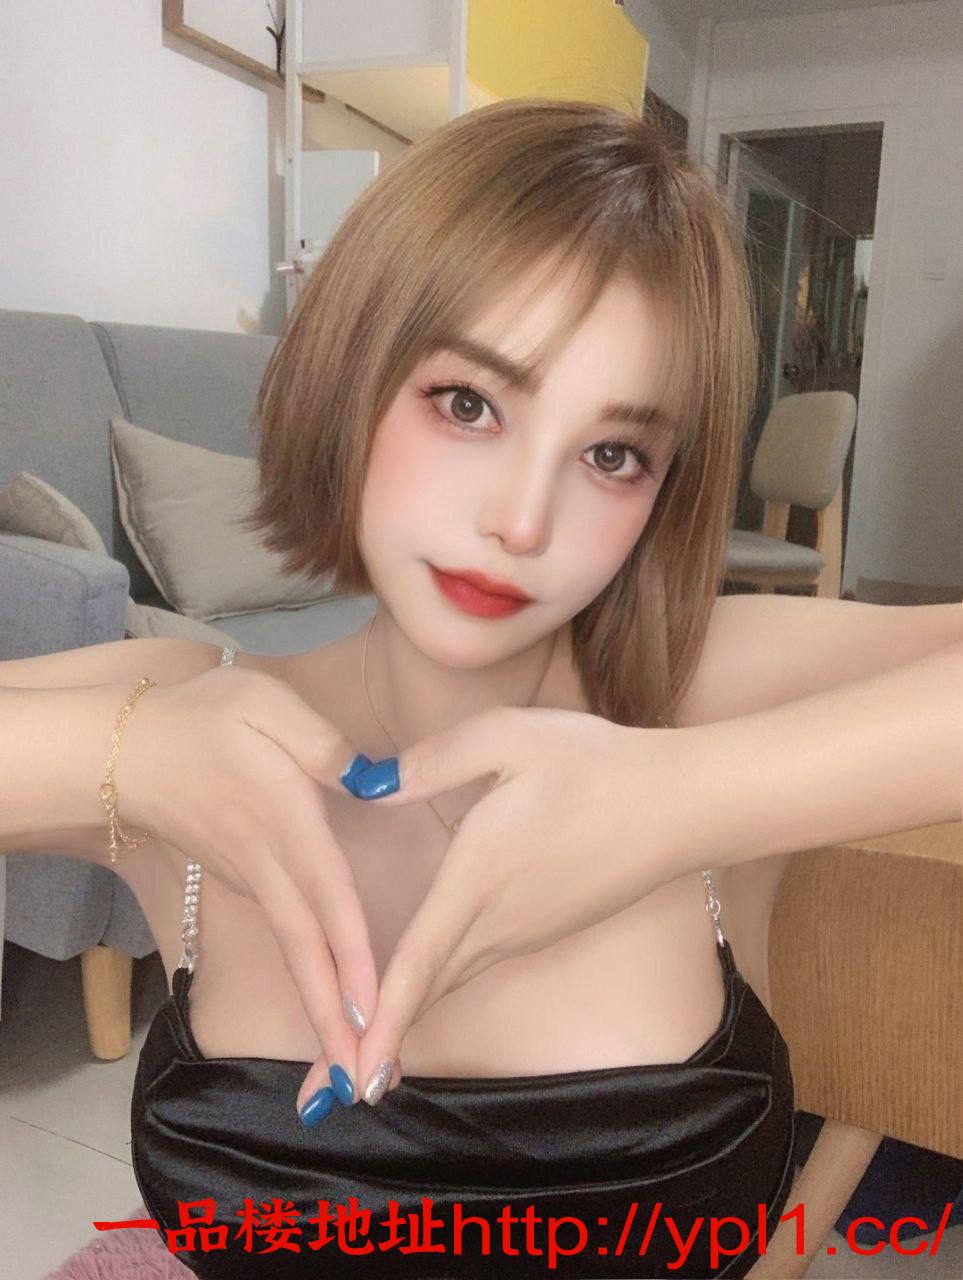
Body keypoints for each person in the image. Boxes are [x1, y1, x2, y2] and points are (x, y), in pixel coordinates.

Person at [1, 99, 959, 1279]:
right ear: (354, 375)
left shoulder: (691, 688)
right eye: (469, 404)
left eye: (612, 454)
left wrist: (686, 795)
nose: (522, 519)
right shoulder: (196, 716)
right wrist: (133, 757)